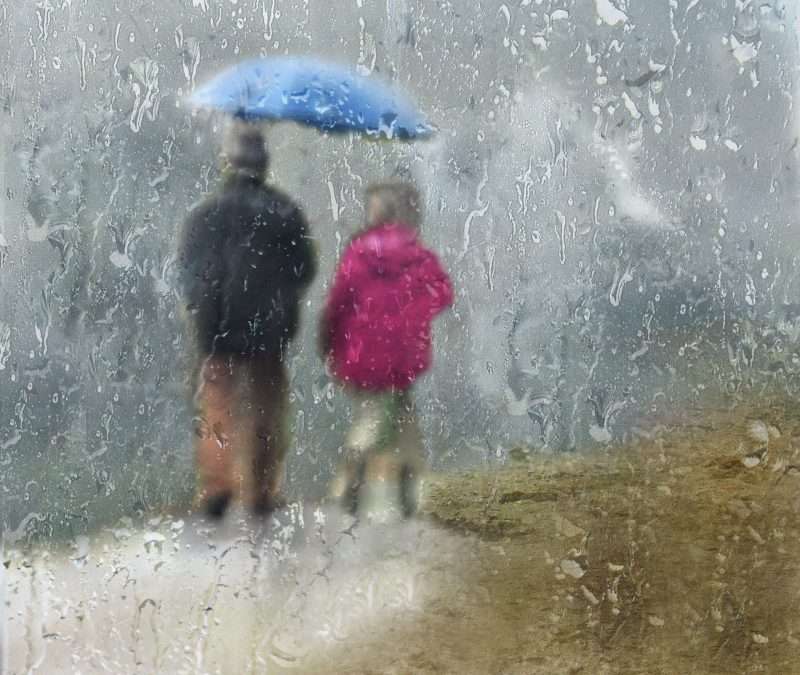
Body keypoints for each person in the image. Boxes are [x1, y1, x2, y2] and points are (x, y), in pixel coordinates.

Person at [177, 119, 316, 518]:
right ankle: (260, 490)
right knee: (265, 406)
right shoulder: (286, 212)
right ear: (265, 164)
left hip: (215, 325)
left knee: (217, 404)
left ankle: (217, 487)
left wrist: (202, 317)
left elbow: (189, 272)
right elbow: (303, 270)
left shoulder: (203, 215)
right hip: (268, 327)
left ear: (228, 163)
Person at [320, 181, 453, 518]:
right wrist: (412, 312)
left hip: (364, 352)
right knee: (394, 415)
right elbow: (443, 293)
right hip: (403, 353)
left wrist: (330, 343)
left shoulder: (359, 251)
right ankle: (408, 490)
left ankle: (351, 485)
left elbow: (338, 303)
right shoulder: (417, 253)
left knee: (378, 416)